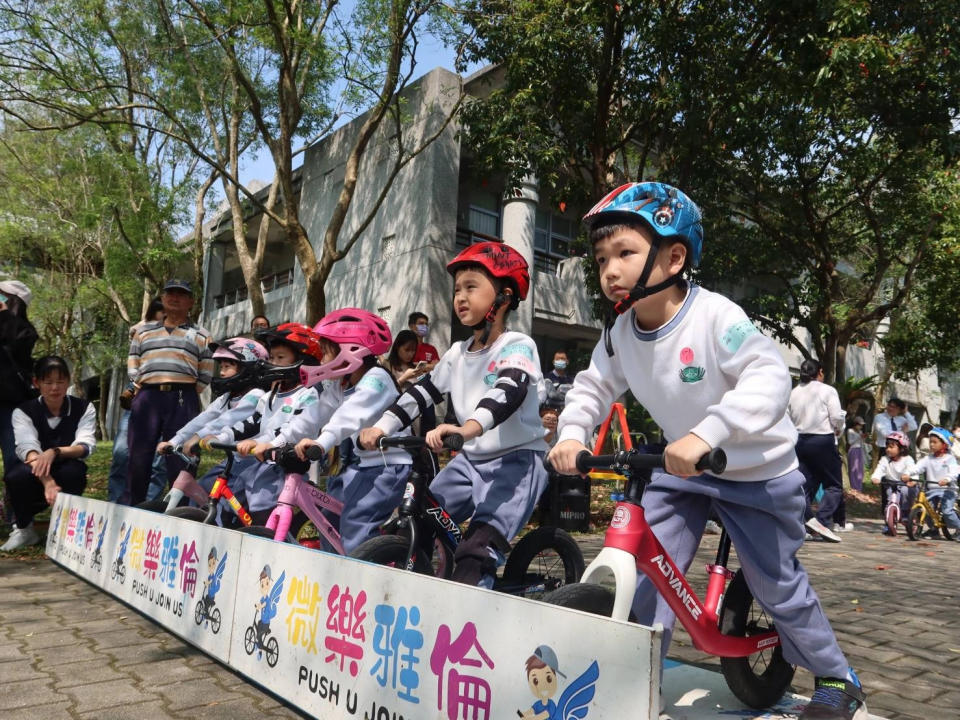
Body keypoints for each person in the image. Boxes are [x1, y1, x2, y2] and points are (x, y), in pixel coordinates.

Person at [548, 182, 867, 720]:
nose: (608, 269)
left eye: (624, 253)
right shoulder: (620, 332)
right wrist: (572, 434)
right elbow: (591, 388)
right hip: (685, 470)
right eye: (602, 258)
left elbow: (767, 376)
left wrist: (709, 432)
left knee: (775, 583)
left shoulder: (715, 316)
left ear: (675, 257)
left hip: (759, 472)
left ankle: (837, 676)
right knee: (648, 567)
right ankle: (636, 673)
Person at [361, 242, 549, 588]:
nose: (460, 297)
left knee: (477, 553)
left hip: (516, 463)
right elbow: (422, 392)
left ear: (504, 296)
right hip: (470, 462)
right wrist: (381, 426)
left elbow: (508, 390)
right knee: (416, 517)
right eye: (457, 290)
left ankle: (474, 605)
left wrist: (467, 429)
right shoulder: (457, 353)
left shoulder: (518, 345)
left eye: (471, 287)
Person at [290, 309, 412, 553]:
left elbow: (351, 414)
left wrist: (322, 442)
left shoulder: (376, 378)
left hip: (388, 466)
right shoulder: (342, 382)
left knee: (357, 525)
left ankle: (365, 582)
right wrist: (278, 440)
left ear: (350, 349)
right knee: (328, 521)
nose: (322, 360)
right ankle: (336, 575)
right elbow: (315, 414)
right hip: (362, 465)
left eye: (326, 351)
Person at [205, 323, 323, 525]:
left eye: (280, 358)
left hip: (287, 465)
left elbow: (294, 427)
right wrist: (222, 437)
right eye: (271, 357)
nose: (272, 362)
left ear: (302, 361)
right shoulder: (270, 396)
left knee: (262, 507)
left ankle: (271, 539)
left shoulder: (308, 395)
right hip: (262, 461)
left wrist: (260, 442)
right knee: (228, 500)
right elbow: (252, 422)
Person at [158, 337, 268, 524]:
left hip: (252, 463)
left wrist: (198, 438)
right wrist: (175, 440)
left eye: (228, 367)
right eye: (221, 367)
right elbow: (204, 418)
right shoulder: (226, 398)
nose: (222, 373)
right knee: (200, 490)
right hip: (233, 461)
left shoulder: (255, 396)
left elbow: (226, 420)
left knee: (223, 505)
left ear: (248, 368)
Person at [126, 280, 213, 506]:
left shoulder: (201, 334)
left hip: (183, 398)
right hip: (147, 397)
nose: (175, 298)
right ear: (163, 299)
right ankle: (135, 507)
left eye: (181, 294)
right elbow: (133, 363)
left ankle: (180, 512)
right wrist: (141, 386)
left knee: (182, 455)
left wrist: (186, 391)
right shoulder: (142, 331)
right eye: (170, 293)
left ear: (191, 302)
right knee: (139, 456)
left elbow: (206, 372)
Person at [1, 356, 96, 551]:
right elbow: (27, 448)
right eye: (48, 382)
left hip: (67, 461)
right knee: (15, 476)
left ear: (68, 381)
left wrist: (54, 452)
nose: (55, 388)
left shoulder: (84, 407)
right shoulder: (23, 411)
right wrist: (48, 482)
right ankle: (24, 529)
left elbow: (85, 446)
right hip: (35, 465)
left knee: (74, 473)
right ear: (37, 383)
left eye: (60, 382)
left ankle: (65, 529)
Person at [107, 297, 167, 504]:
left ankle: (145, 509)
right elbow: (134, 331)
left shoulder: (182, 337)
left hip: (167, 405)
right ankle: (116, 504)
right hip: (139, 400)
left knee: (158, 463)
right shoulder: (141, 336)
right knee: (122, 454)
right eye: (160, 319)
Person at [788, 359, 846, 542]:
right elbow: (837, 416)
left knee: (805, 483)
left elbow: (787, 418)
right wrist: (839, 428)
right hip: (822, 440)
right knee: (834, 484)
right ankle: (821, 521)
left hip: (799, 441)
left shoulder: (793, 393)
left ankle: (804, 521)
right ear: (820, 372)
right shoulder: (827, 390)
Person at [0, 280, 38, 475]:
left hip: (10, 406)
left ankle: (13, 503)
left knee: (14, 460)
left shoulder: (25, 331)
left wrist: (5, 315)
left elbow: (19, 349)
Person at [908, 426, 960, 540]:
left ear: (944, 444)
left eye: (935, 442)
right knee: (927, 511)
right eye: (930, 441)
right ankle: (933, 530)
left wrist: (947, 479)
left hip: (947, 490)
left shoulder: (950, 459)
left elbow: (955, 471)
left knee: (946, 511)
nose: (931, 444)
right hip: (931, 488)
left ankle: (959, 528)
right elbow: (917, 467)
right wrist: (908, 473)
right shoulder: (928, 459)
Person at [870, 431, 916, 535]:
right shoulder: (885, 459)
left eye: (891, 447)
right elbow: (879, 469)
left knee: (905, 492)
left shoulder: (907, 459)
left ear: (902, 448)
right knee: (889, 501)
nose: (888, 449)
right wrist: (875, 478)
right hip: (890, 484)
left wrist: (911, 479)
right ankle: (888, 523)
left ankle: (905, 514)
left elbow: (912, 470)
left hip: (905, 485)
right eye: (887, 447)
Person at [870, 398, 917, 467]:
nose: (891, 408)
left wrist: (906, 413)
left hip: (899, 450)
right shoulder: (879, 417)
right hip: (885, 449)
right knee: (884, 472)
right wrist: (901, 432)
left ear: (899, 410)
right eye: (889, 406)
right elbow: (885, 433)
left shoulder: (901, 419)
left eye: (894, 407)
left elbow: (914, 426)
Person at [845, 416, 866, 492]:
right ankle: (853, 486)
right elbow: (850, 442)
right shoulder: (850, 431)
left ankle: (859, 486)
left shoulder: (860, 432)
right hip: (853, 450)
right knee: (853, 468)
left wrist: (862, 438)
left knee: (859, 469)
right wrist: (859, 437)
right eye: (860, 425)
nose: (861, 427)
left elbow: (861, 442)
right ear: (856, 424)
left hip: (859, 450)